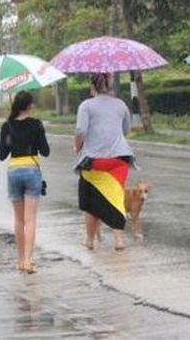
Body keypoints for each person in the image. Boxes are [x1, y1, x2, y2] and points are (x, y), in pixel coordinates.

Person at [73, 72, 134, 252]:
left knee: (91, 202)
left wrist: (77, 148)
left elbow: (80, 130)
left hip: (95, 161)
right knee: (115, 197)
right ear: (110, 85)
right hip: (119, 161)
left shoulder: (86, 106)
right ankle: (119, 240)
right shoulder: (121, 105)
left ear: (92, 86)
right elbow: (126, 130)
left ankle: (90, 240)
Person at [0, 91, 50, 274]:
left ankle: (20, 261)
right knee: (30, 220)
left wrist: (11, 136)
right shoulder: (36, 124)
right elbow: (45, 151)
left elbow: (1, 155)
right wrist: (38, 134)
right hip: (31, 171)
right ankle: (28, 260)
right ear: (30, 106)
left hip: (13, 172)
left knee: (19, 220)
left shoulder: (7, 126)